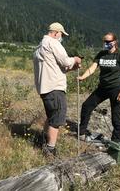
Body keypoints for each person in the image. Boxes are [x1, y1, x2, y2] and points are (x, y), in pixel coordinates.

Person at [33, 22, 82, 157]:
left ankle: (43, 138)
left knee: (51, 116)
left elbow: (58, 67)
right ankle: (50, 149)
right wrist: (75, 59)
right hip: (54, 88)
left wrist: (72, 67)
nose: (61, 37)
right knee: (57, 118)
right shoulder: (53, 43)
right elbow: (66, 61)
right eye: (61, 34)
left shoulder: (39, 47)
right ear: (55, 33)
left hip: (45, 88)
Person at [78, 32, 120, 142]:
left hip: (116, 88)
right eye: (104, 41)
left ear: (114, 42)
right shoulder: (101, 54)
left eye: (108, 42)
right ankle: (81, 132)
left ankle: (115, 141)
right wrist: (83, 77)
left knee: (116, 115)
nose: (106, 43)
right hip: (102, 88)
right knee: (86, 106)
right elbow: (92, 68)